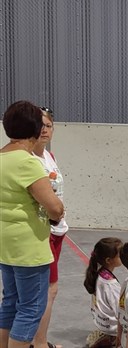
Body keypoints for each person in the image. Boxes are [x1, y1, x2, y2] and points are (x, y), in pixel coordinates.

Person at [0, 101, 64, 348]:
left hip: (6, 244)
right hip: (28, 246)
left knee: (10, 302)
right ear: (35, 128)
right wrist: (57, 214)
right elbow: (54, 207)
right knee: (30, 308)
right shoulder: (27, 162)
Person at [31, 106, 70, 348]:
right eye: (39, 125)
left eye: (48, 125)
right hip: (44, 231)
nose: (44, 129)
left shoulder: (49, 156)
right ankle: (40, 343)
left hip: (57, 230)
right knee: (47, 291)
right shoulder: (30, 160)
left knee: (47, 290)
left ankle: (37, 341)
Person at [83, 237, 124, 347]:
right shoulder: (110, 284)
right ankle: (112, 339)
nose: (123, 256)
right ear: (109, 260)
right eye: (120, 255)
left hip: (101, 322)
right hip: (112, 328)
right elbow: (120, 311)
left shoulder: (98, 273)